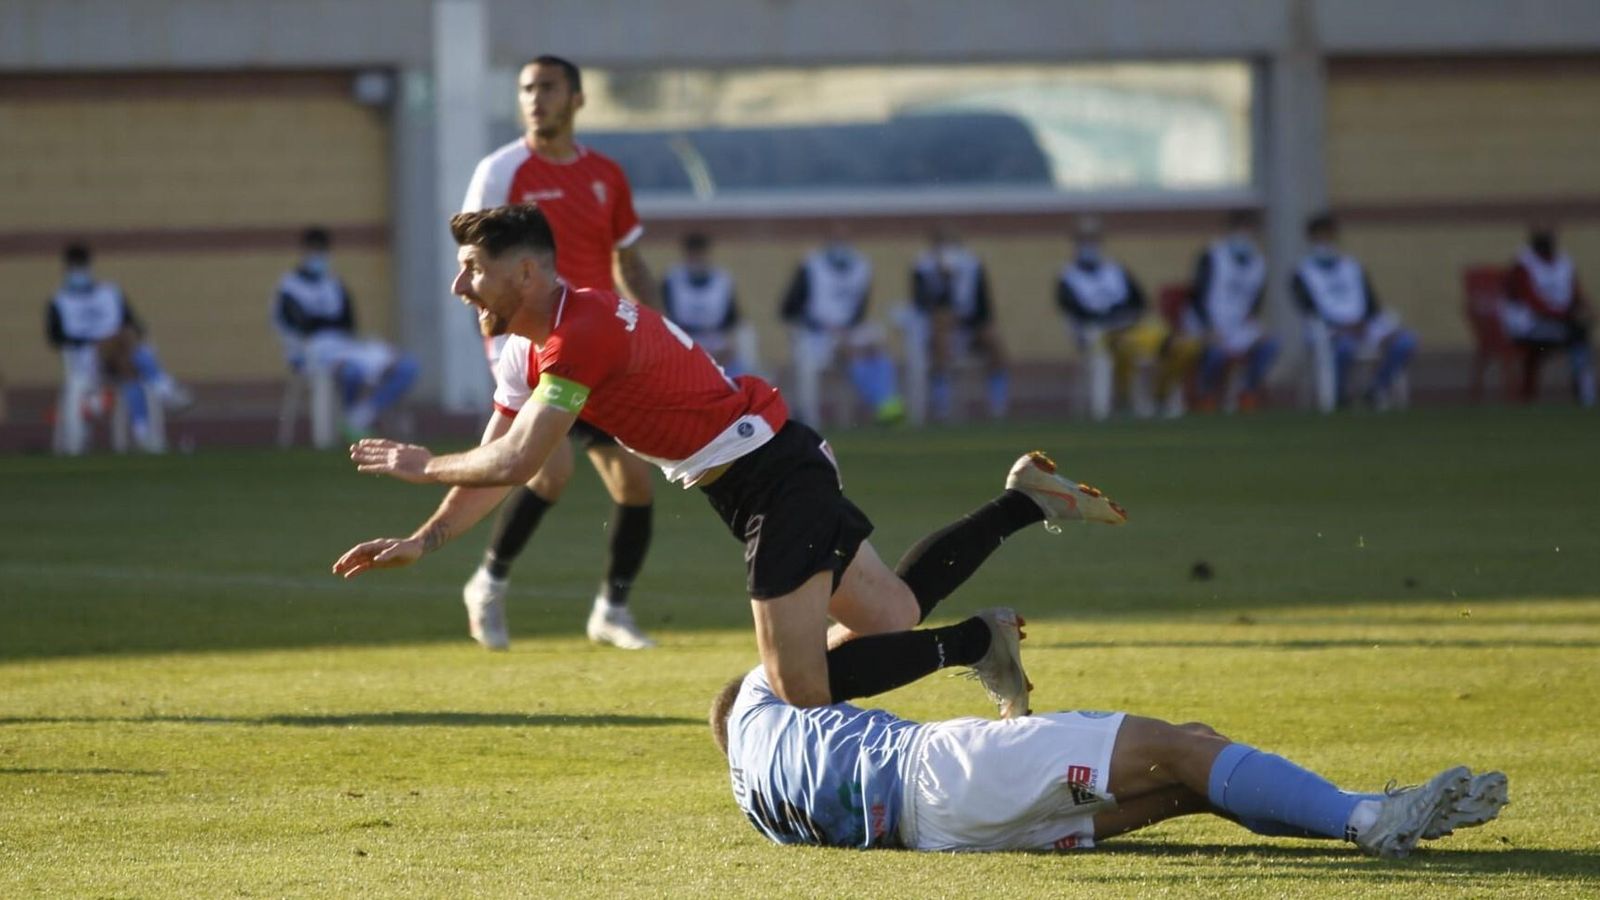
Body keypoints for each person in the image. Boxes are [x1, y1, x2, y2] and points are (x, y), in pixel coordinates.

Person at [332, 204, 1129, 718]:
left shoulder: (583, 334)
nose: (457, 284)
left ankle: (978, 645)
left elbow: (514, 461)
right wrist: (424, 539)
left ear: (528, 271)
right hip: (764, 467)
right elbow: (499, 457)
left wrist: (422, 463)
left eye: (473, 268)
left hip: (774, 476)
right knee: (888, 620)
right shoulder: (533, 346)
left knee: (799, 686)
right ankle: (1026, 501)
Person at [710, 662, 1510, 857]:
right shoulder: (765, 688)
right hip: (942, 767)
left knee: (1191, 779)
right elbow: (873, 619)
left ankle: (1363, 811)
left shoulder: (753, 799)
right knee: (1181, 745)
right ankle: (1369, 816)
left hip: (947, 837)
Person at [456, 54, 663, 651]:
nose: (534, 98)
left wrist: (654, 326)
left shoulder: (606, 175)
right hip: (527, 345)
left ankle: (611, 610)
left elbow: (628, 259)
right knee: (552, 472)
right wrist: (500, 336)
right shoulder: (501, 171)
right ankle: (488, 585)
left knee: (636, 484)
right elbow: (471, 264)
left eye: (547, 87)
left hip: (598, 346)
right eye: (525, 88)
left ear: (577, 98)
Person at [273, 227, 420, 439]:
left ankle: (359, 416)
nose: (319, 256)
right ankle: (348, 424)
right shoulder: (289, 287)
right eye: (314, 251)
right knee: (351, 372)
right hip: (311, 352)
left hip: (344, 345)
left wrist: (324, 322)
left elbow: (348, 322)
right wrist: (326, 323)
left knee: (406, 366)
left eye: (322, 251)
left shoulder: (333, 284)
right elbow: (303, 325)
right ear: (304, 251)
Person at [46, 241, 192, 453]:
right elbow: (56, 338)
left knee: (129, 366)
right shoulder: (59, 302)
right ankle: (164, 388)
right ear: (67, 269)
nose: (79, 272)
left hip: (121, 358)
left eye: (81, 267)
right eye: (75, 268)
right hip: (88, 362)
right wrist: (93, 341)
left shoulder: (109, 293)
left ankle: (143, 434)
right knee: (125, 343)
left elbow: (135, 325)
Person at [1057, 216, 1193, 419]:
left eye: (1093, 239)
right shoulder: (1068, 276)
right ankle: (1108, 407)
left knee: (1168, 341)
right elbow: (1074, 310)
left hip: (1128, 326)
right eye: (1084, 239)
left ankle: (1162, 398)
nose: (1089, 245)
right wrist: (1106, 315)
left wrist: (1124, 313)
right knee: (1112, 352)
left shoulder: (1116, 270)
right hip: (1096, 332)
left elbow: (1139, 300)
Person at [1291, 213, 1418, 411]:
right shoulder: (1302, 272)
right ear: (1311, 238)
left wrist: (1366, 324)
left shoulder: (1352, 266)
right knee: (1344, 348)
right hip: (1332, 331)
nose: (1325, 241)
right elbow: (1309, 308)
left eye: (1329, 235)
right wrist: (1342, 326)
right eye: (1320, 236)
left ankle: (1376, 388)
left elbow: (1371, 303)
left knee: (1406, 341)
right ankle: (1339, 394)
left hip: (1363, 325)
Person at [781, 226, 905, 426]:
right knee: (851, 351)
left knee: (876, 347)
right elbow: (789, 309)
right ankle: (883, 404)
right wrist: (825, 327)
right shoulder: (810, 266)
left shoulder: (861, 266)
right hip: (816, 335)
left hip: (848, 330)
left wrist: (847, 329)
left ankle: (888, 401)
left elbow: (860, 307)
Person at [908, 228, 1010, 422]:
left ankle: (998, 404)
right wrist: (944, 280)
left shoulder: (972, 265)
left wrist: (970, 320)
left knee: (993, 339)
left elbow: (984, 306)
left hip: (969, 326)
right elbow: (921, 303)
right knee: (941, 326)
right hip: (938, 330)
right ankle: (942, 404)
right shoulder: (923, 268)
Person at [1188, 209, 1279, 412]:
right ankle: (1206, 394)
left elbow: (1255, 301)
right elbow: (1197, 296)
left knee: (1270, 345)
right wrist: (1208, 328)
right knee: (1215, 354)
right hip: (1210, 324)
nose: (1245, 236)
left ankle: (1247, 391)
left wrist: (1254, 324)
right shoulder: (1212, 256)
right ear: (1231, 230)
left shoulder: (1258, 263)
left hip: (1239, 325)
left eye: (1250, 231)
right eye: (1241, 230)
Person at [1503, 225, 1595, 407]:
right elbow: (1532, 302)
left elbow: (1576, 294)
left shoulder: (1564, 262)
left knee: (1580, 335)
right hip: (1528, 326)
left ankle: (1585, 393)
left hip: (1558, 324)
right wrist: (1564, 316)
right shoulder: (1523, 266)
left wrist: (1587, 310)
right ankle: (1585, 396)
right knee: (1576, 335)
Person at [661, 232, 752, 376]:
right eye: (693, 254)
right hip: (683, 338)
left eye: (700, 253)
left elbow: (732, 318)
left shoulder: (722, 279)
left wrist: (728, 347)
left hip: (717, 339)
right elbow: (663, 315)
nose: (697, 258)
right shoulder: (672, 279)